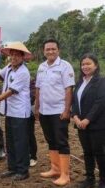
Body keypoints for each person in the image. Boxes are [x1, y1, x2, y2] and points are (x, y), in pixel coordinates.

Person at [0, 42, 32, 181]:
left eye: (17, 55)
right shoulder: (10, 67)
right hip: (10, 111)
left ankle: (23, 170)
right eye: (12, 54)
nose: (14, 57)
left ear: (22, 57)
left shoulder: (23, 72)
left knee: (20, 141)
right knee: (10, 141)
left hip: (20, 113)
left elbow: (10, 91)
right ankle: (12, 168)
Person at [35, 39, 75, 186]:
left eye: (53, 49)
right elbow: (38, 89)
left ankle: (65, 174)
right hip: (45, 111)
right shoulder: (41, 67)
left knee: (61, 141)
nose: (50, 51)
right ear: (43, 51)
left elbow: (69, 89)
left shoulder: (65, 66)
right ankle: (55, 169)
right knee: (50, 140)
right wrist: (37, 107)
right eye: (48, 49)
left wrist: (67, 110)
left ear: (58, 50)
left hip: (59, 111)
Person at [71, 53, 105, 188]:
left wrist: (87, 119)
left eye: (88, 64)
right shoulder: (80, 82)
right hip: (80, 124)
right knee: (87, 152)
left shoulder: (102, 82)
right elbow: (75, 102)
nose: (85, 66)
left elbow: (100, 102)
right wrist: (75, 117)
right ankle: (89, 178)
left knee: (100, 152)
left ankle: (103, 180)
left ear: (95, 65)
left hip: (97, 124)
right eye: (83, 64)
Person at [29, 76, 38, 167]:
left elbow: (33, 94)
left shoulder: (32, 80)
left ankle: (33, 156)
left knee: (29, 133)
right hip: (16, 112)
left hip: (28, 111)